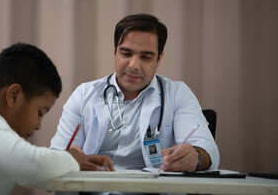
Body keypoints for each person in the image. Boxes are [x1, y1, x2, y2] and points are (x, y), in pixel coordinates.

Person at [0, 43, 114, 195]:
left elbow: (32, 164)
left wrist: (77, 161)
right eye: (40, 112)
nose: (39, 125)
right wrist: (71, 158)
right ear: (14, 95)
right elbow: (35, 167)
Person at [51, 14, 220, 172]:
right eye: (126, 53)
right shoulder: (84, 94)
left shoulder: (177, 94)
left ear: (159, 58)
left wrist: (196, 157)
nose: (134, 65)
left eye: (146, 57)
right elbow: (57, 155)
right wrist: (68, 156)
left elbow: (208, 149)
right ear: (114, 52)